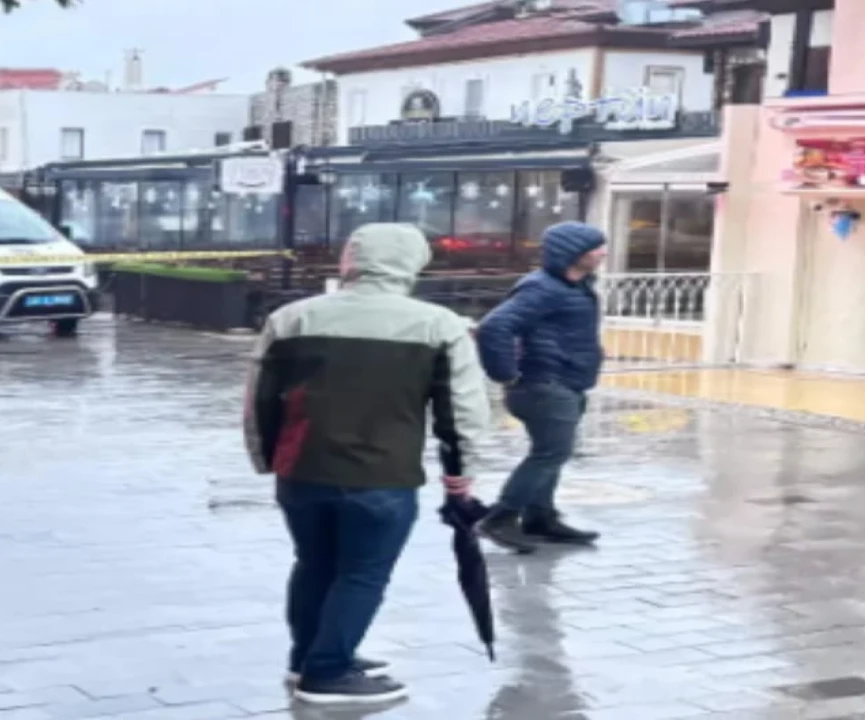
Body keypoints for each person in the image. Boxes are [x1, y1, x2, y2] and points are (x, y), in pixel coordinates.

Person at [243, 223, 490, 706]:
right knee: (362, 573)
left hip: (301, 471)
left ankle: (308, 658)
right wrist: (460, 473)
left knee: (314, 564)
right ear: (414, 263)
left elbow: (260, 400)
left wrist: (268, 458)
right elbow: (461, 409)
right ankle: (328, 673)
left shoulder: (292, 318)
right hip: (383, 475)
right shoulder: (438, 325)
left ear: (350, 260)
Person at [472, 221, 608, 554]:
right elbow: (493, 327)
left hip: (567, 383)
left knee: (552, 453)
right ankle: (500, 519)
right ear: (573, 253)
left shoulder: (576, 286)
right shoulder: (543, 288)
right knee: (550, 453)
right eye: (595, 248)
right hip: (544, 385)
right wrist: (505, 374)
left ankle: (540, 518)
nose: (603, 253)